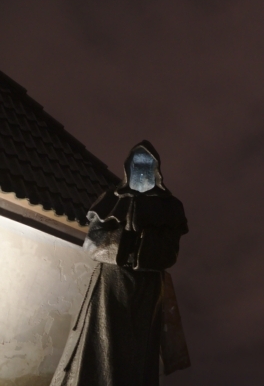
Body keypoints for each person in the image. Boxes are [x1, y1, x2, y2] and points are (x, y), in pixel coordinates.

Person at [51, 141, 189, 386]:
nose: (143, 169)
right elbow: (94, 244)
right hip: (110, 288)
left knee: (140, 353)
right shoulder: (110, 199)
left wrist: (140, 247)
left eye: (148, 164)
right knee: (103, 344)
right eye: (137, 164)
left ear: (157, 169)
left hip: (147, 290)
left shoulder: (171, 207)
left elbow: (169, 254)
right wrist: (125, 243)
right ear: (128, 168)